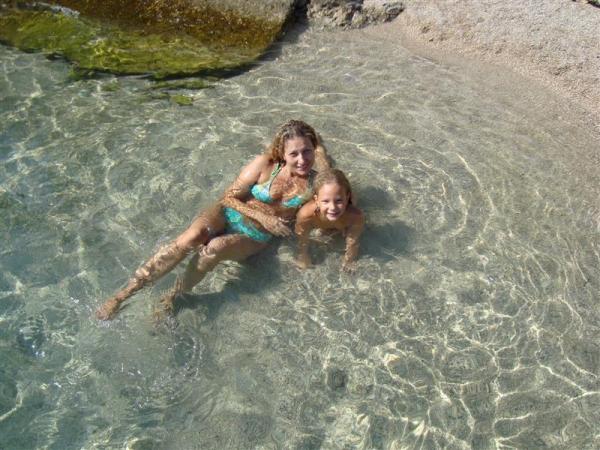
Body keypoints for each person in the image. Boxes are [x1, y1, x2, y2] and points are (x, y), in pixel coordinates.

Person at [96, 120, 330, 320]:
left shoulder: (315, 183)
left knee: (214, 248)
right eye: (294, 154)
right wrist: (263, 216)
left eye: (307, 151)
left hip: (254, 236)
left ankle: (173, 297)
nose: (302, 160)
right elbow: (227, 197)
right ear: (282, 153)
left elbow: (333, 199)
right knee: (190, 238)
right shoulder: (264, 165)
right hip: (227, 213)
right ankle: (122, 296)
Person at [294, 169, 364, 272]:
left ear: (347, 197)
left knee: (353, 200)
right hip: (323, 213)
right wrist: (303, 255)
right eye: (326, 201)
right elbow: (301, 237)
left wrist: (349, 259)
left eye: (339, 201)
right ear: (316, 200)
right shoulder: (305, 215)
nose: (333, 207)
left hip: (348, 206)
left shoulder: (355, 216)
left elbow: (353, 241)